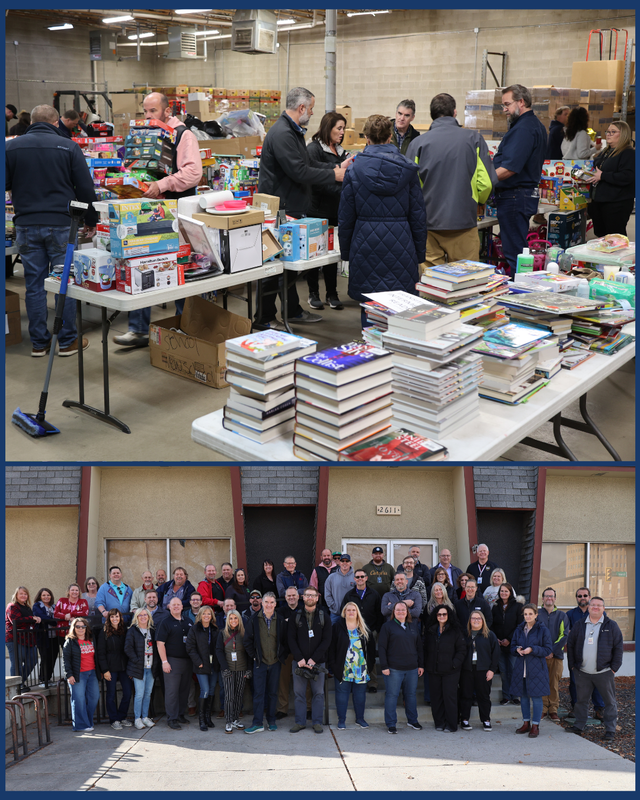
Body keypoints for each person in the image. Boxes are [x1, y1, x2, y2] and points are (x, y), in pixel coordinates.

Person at [5, 103, 97, 357]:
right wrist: (91, 219)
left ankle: (39, 343)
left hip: (25, 224)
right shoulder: (68, 147)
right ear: (56, 122)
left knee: (33, 285)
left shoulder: (10, 146)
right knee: (63, 283)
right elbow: (85, 188)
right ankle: (67, 341)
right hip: (61, 225)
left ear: (32, 122)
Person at [113, 91, 203, 349]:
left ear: (166, 111)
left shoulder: (183, 135)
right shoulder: (144, 135)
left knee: (179, 267)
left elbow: (193, 173)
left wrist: (162, 184)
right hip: (147, 209)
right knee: (142, 263)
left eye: (153, 111)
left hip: (176, 212)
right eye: (145, 111)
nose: (148, 116)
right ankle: (138, 330)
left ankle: (186, 329)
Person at [255, 87, 350, 329]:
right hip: (280, 210)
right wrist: (334, 175)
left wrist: (339, 166)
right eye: (312, 108)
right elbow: (298, 171)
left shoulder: (293, 131)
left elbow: (308, 163)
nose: (313, 113)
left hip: (291, 208)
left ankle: (293, 310)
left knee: (285, 268)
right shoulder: (282, 134)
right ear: (302, 108)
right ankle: (264, 319)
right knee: (273, 268)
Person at [339, 114, 427, 328]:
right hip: (401, 243)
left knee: (369, 305)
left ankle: (371, 352)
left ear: (366, 138)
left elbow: (346, 217)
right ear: (390, 137)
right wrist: (419, 253)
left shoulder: (353, 169)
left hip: (365, 243)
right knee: (402, 308)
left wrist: (346, 254)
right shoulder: (407, 169)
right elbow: (418, 215)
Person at [407, 92, 496, 267]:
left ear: (431, 115)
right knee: (466, 282)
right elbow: (486, 183)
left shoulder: (417, 144)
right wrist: (478, 200)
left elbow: (411, 186)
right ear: (455, 112)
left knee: (432, 284)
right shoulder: (474, 139)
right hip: (463, 222)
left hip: (428, 225)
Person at [492, 84, 548, 274]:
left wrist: (483, 181)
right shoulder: (533, 125)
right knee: (517, 249)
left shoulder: (524, 129)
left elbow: (509, 168)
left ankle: (522, 294)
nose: (504, 109)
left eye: (507, 104)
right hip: (520, 196)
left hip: (515, 197)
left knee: (514, 252)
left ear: (521, 102)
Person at [305, 110, 350, 311]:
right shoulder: (313, 149)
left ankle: (331, 293)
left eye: (343, 128)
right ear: (328, 127)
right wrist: (337, 174)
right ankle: (312, 293)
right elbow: (315, 179)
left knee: (332, 253)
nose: (342, 132)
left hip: (336, 210)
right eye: (338, 128)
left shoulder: (340, 151)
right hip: (317, 210)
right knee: (315, 253)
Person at [565, 596, 623, 742]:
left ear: (604, 608)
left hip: (604, 672)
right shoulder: (579, 624)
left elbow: (618, 648)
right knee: (581, 701)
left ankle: (610, 730)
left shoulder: (612, 625)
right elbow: (570, 645)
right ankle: (579, 726)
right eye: (593, 605)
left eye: (599, 605)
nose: (595, 607)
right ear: (589, 607)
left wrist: (613, 668)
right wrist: (573, 666)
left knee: (609, 702)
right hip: (582, 672)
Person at [287, 586, 332, 734]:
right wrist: (299, 658)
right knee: (299, 693)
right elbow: (291, 639)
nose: (310, 598)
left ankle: (317, 722)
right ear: (303, 597)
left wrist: (314, 659)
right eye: (307, 595)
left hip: (318, 663)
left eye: (313, 595)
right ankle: (300, 722)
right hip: (299, 663)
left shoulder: (324, 616)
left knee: (318, 693)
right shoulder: (296, 615)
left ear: (317, 597)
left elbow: (327, 640)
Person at [243, 592, 288, 734]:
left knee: (273, 693)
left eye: (271, 602)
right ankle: (257, 723)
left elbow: (286, 641)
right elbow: (247, 641)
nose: (269, 605)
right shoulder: (254, 619)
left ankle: (271, 721)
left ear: (275, 604)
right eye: (266, 602)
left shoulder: (280, 620)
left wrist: (281, 656)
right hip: (259, 663)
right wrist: (255, 657)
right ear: (262, 603)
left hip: (275, 662)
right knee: (258, 693)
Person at [583, 121, 635, 237]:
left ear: (623, 134)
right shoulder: (605, 152)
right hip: (599, 201)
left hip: (616, 203)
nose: (608, 134)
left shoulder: (628, 153)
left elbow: (627, 176)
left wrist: (603, 176)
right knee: (601, 235)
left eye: (613, 132)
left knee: (614, 237)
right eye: (608, 132)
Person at [378, 601, 424, 733]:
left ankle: (413, 720)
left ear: (407, 612)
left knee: (410, 695)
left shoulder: (413, 626)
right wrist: (384, 666)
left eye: (403, 610)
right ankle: (391, 724)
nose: (400, 612)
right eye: (397, 610)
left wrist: (420, 665)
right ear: (393, 612)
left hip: (412, 668)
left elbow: (419, 647)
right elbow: (382, 648)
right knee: (392, 695)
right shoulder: (387, 626)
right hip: (394, 669)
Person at [511, 603, 553, 738]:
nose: (527, 616)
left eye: (530, 614)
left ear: (536, 614)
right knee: (523, 697)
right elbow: (511, 647)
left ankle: (535, 725)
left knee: (536, 697)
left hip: (536, 668)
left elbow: (548, 649)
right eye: (525, 614)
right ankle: (526, 723)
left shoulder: (542, 630)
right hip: (521, 668)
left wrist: (533, 649)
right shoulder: (519, 629)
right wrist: (517, 649)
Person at [328, 602, 372, 729]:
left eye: (353, 610)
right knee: (341, 695)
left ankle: (360, 719)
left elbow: (370, 649)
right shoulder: (337, 627)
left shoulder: (363, 628)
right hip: (343, 668)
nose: (351, 612)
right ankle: (341, 720)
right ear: (344, 612)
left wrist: (369, 665)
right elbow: (331, 649)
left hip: (361, 668)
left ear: (357, 612)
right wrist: (334, 666)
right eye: (348, 610)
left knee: (360, 696)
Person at [423, 605, 466, 732]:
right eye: (439, 614)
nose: (441, 617)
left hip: (450, 671)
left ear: (449, 616)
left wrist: (454, 664)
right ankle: (439, 722)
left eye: (444, 614)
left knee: (449, 698)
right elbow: (425, 649)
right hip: (433, 670)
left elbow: (462, 650)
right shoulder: (430, 630)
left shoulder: (455, 630)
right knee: (436, 698)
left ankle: (451, 725)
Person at [340, 569, 383, 693]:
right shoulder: (349, 595)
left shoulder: (374, 594)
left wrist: (376, 630)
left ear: (366, 578)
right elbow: (343, 613)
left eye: (362, 576)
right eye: (357, 577)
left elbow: (379, 613)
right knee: (355, 656)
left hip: (370, 630)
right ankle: (353, 680)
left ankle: (372, 683)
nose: (360, 579)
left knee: (370, 656)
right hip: (353, 631)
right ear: (354, 579)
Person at [566, 587, 605, 718]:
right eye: (579, 596)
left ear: (589, 597)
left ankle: (599, 709)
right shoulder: (570, 615)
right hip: (576, 654)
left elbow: (605, 632)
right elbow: (567, 633)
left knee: (596, 681)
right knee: (575, 682)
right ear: (576, 598)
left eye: (585, 595)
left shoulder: (597, 613)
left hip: (595, 653)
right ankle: (576, 708)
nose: (582, 598)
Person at [156, 597, 193, 730]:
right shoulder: (164, 622)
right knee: (172, 691)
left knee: (184, 690)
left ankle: (180, 714)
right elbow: (160, 643)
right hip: (172, 661)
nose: (176, 607)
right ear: (169, 607)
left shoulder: (188, 622)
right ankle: (172, 718)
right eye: (174, 605)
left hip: (187, 661)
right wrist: (164, 661)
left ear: (182, 607)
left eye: (178, 604)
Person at [460, 611, 499, 731]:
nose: (476, 620)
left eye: (479, 618)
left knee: (484, 696)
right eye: (473, 618)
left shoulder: (490, 635)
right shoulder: (464, 634)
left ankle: (486, 720)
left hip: (483, 670)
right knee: (466, 695)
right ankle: (464, 719)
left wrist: (492, 670)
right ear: (469, 620)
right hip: (467, 670)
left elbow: (496, 654)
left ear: (483, 620)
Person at [96, 609, 133, 730]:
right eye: (112, 617)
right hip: (110, 668)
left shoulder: (125, 631)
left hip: (124, 667)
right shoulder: (104, 632)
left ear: (120, 617)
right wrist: (105, 670)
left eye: (116, 616)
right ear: (109, 618)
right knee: (111, 694)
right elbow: (101, 653)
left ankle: (122, 717)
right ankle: (114, 719)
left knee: (127, 693)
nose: (114, 619)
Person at [62, 617, 100, 733]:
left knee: (94, 698)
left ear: (86, 628)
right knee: (78, 699)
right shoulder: (70, 641)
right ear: (73, 628)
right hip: (78, 674)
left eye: (82, 626)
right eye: (77, 626)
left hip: (92, 673)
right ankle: (80, 725)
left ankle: (87, 721)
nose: (80, 629)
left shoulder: (91, 639)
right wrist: (69, 675)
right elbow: (66, 660)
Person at [185, 605, 219, 731]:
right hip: (201, 665)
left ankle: (208, 717)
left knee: (211, 690)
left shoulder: (214, 629)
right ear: (200, 615)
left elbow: (218, 647)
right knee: (204, 690)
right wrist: (198, 662)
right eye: (204, 613)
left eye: (209, 614)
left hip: (213, 665)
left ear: (212, 616)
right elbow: (190, 647)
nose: (206, 616)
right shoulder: (194, 629)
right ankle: (202, 720)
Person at [538, 587, 569, 722]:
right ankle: (543, 709)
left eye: (551, 596)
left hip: (556, 656)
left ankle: (553, 709)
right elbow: (534, 634)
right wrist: (544, 651)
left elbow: (564, 636)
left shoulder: (562, 616)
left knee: (554, 683)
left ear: (555, 598)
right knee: (542, 682)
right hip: (541, 656)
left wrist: (552, 651)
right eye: (546, 596)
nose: (549, 598)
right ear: (543, 598)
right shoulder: (537, 614)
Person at [125, 607, 159, 730]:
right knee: (139, 694)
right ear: (137, 617)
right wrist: (137, 661)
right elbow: (128, 648)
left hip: (151, 667)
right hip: (138, 667)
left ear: (149, 617)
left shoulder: (153, 630)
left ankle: (145, 717)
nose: (143, 617)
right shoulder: (132, 630)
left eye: (145, 615)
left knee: (148, 694)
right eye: (140, 615)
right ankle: (137, 719)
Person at [216, 610, 249, 734]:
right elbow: (219, 651)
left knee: (238, 695)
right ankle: (228, 721)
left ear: (239, 619)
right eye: (231, 618)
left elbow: (248, 652)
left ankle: (235, 719)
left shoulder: (243, 633)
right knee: (229, 696)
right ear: (227, 620)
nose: (233, 620)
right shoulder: (222, 634)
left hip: (241, 669)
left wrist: (248, 669)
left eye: (236, 618)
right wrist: (225, 668)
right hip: (228, 669)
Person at [490, 583, 524, 705]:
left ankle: (515, 696)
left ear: (510, 593)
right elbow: (491, 624)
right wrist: (497, 639)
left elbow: (520, 626)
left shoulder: (518, 606)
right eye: (502, 591)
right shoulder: (495, 607)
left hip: (513, 645)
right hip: (499, 645)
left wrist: (509, 639)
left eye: (506, 591)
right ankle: (506, 696)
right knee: (504, 672)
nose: (503, 593)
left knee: (514, 670)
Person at [275, 586, 305, 720]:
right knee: (283, 681)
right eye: (289, 596)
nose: (291, 597)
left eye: (294, 595)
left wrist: (288, 622)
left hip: (302, 652)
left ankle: (308, 708)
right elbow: (280, 628)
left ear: (298, 596)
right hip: (285, 652)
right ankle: (282, 708)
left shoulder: (304, 610)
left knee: (306, 681)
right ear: (285, 597)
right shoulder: (280, 611)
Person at [5, 586, 41, 688]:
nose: (23, 596)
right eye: (21, 593)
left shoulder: (27, 607)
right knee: (17, 663)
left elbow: (29, 623)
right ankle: (16, 687)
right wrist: (32, 618)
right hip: (14, 639)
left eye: (25, 594)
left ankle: (19, 683)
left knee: (33, 660)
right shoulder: (12, 606)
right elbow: (15, 621)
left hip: (27, 638)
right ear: (16, 595)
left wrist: (36, 619)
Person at [33, 588, 59, 684]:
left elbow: (59, 616)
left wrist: (53, 621)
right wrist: (53, 621)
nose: (46, 597)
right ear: (40, 596)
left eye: (48, 595)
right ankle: (42, 679)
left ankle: (48, 678)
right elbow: (42, 617)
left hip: (54, 636)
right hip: (43, 636)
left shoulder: (54, 606)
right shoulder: (37, 605)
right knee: (45, 657)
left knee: (53, 657)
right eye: (44, 595)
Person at [324, 554, 356, 624]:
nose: (344, 563)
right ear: (339, 563)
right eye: (342, 561)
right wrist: (333, 606)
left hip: (351, 614)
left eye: (347, 561)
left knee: (351, 634)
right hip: (335, 613)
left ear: (350, 563)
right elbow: (327, 594)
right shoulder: (331, 577)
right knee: (333, 633)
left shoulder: (355, 577)